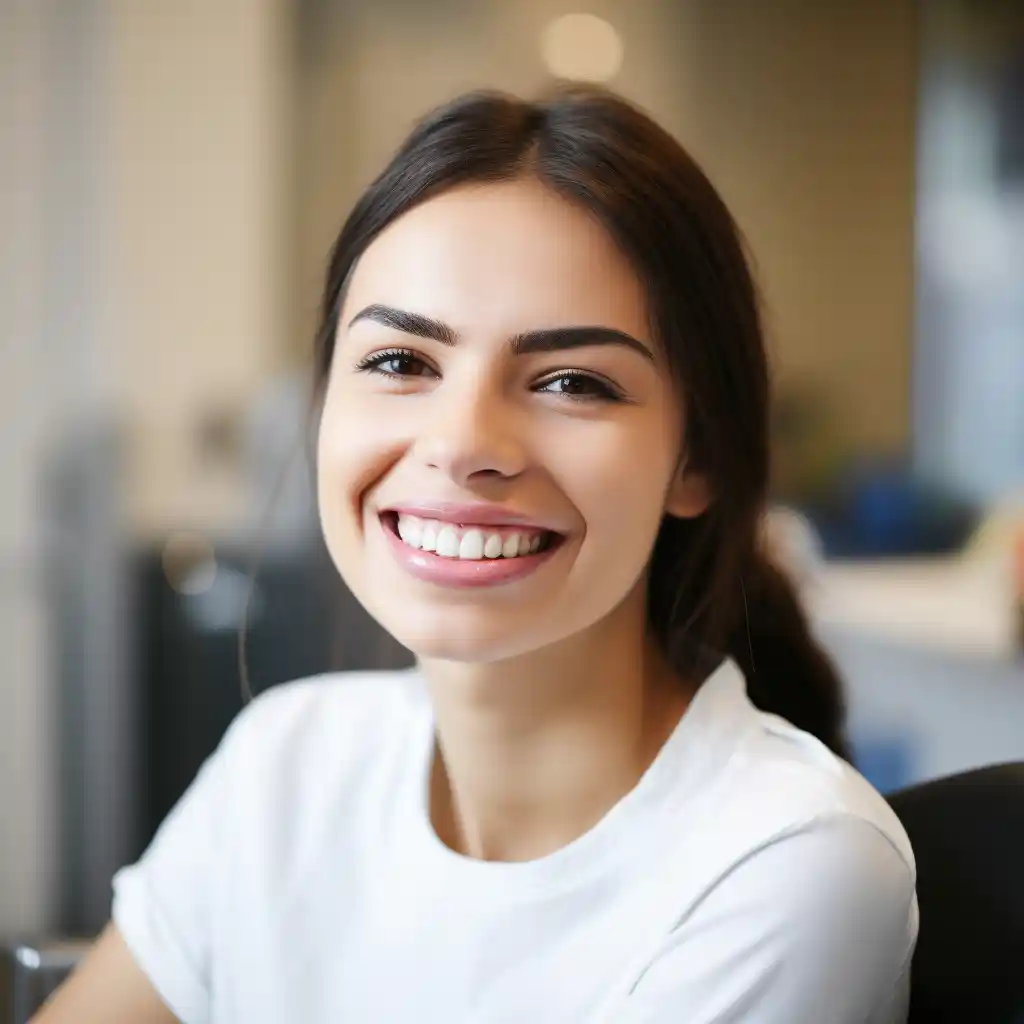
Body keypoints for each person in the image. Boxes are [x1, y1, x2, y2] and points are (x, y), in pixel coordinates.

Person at [36, 86, 917, 1024]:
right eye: (400, 363)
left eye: (572, 381)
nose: (462, 444)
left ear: (695, 458)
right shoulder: (287, 765)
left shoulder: (788, 862)